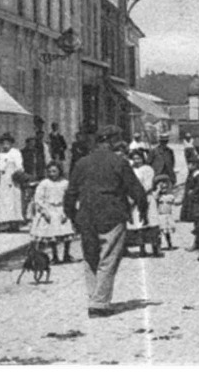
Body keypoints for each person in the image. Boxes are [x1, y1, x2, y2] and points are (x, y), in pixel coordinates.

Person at [65, 124, 148, 317]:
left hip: (86, 215)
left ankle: (95, 297)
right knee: (108, 258)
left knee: (91, 257)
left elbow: (70, 194)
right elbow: (135, 189)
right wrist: (142, 208)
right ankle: (99, 303)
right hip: (112, 214)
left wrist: (72, 216)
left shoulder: (82, 163)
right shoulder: (119, 163)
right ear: (112, 141)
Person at [30, 160, 76, 264]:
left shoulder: (65, 183)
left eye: (54, 171)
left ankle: (66, 254)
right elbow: (38, 198)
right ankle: (55, 256)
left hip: (61, 209)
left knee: (67, 231)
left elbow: (69, 198)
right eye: (50, 171)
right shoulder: (44, 183)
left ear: (59, 171)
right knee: (52, 235)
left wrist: (67, 211)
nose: (52, 174)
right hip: (49, 209)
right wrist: (43, 211)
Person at [0, 134, 26, 231]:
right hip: (3, 180)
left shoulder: (15, 153)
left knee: (13, 201)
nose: (5, 145)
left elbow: (20, 167)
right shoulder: (1, 154)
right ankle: (7, 223)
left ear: (11, 143)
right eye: (3, 143)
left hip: (12, 180)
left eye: (7, 143)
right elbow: (1, 168)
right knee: (4, 201)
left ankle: (15, 223)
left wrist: (17, 175)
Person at [152, 174, 179, 252]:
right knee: (159, 232)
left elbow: (175, 202)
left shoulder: (170, 195)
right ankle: (158, 246)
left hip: (168, 215)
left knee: (167, 232)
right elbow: (155, 197)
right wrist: (158, 189)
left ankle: (169, 244)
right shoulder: (157, 196)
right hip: (160, 216)